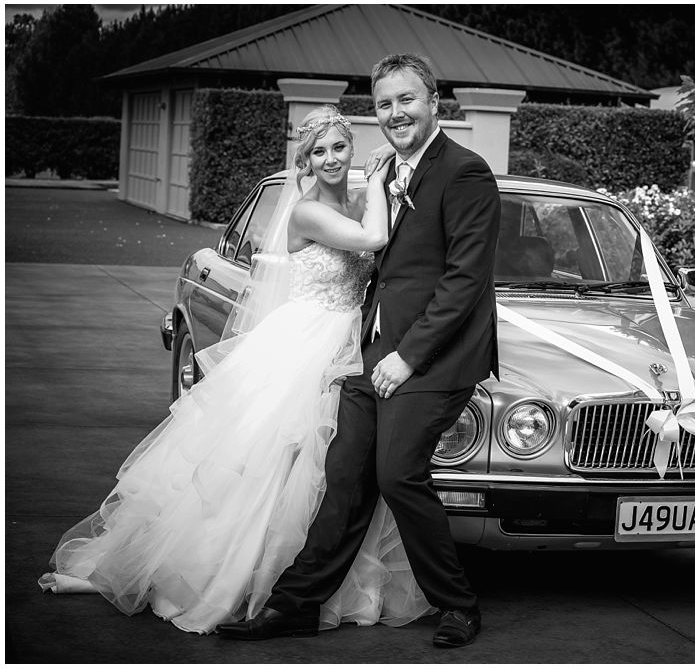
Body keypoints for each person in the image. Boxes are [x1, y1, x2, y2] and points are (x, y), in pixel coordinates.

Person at [38, 105, 435, 634]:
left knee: (333, 469)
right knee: (275, 459)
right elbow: (374, 241)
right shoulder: (308, 211)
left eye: (340, 147)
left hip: (353, 338)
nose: (332, 158)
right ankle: (240, 576)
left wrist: (385, 184)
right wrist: (384, 177)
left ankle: (310, 575)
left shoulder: (361, 200)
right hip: (306, 341)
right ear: (307, 162)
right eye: (319, 151)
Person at [217, 53, 501, 648]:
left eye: (406, 99)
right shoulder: (388, 170)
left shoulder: (465, 172)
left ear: (433, 102)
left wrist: (409, 356)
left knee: (396, 474)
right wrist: (369, 348)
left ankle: (458, 605)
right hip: (371, 350)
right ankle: (295, 605)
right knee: (345, 474)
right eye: (384, 104)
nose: (396, 113)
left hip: (434, 356)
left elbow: (463, 278)